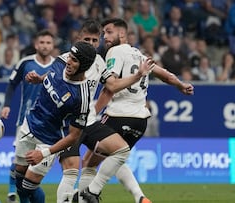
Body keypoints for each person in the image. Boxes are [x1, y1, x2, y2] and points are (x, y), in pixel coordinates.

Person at [78, 18, 194, 203]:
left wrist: (92, 112)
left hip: (117, 116)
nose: (104, 36)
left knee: (95, 160)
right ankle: (139, 197)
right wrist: (180, 85)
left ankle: (90, 193)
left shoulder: (114, 51)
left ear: (122, 34)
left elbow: (111, 86)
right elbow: (164, 74)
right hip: (139, 122)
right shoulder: (139, 55)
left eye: (109, 32)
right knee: (101, 159)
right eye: (104, 33)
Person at [56, 19, 155, 203]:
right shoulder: (65, 59)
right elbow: (50, 80)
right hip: (67, 124)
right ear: (78, 39)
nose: (92, 44)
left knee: (116, 152)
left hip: (88, 121)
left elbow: (111, 86)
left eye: (95, 40)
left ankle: (89, 195)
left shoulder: (100, 62)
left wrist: (137, 75)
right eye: (87, 40)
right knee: (69, 170)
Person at [13, 41, 96, 203]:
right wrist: (39, 79)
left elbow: (73, 136)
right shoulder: (61, 61)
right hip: (29, 125)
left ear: (84, 66)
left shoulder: (81, 97)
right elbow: (53, 73)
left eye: (74, 60)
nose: (69, 62)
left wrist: (43, 153)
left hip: (48, 140)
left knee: (28, 186)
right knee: (19, 180)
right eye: (70, 57)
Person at [0, 29, 55, 203]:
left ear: (52, 46)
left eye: (48, 43)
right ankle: (12, 191)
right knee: (20, 162)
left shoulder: (58, 65)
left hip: (48, 123)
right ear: (36, 44)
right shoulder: (26, 63)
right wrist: (7, 105)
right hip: (25, 119)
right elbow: (12, 84)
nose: (45, 46)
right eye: (42, 42)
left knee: (33, 168)